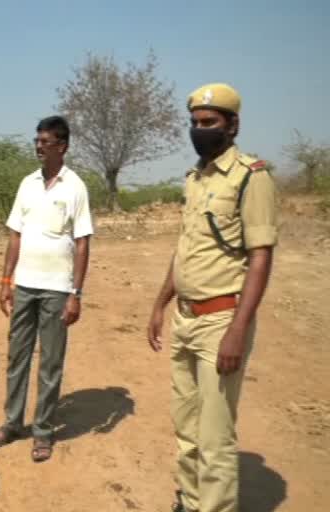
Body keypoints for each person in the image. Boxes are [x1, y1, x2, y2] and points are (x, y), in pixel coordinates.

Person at [146, 83, 278, 512]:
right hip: (185, 319)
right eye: (195, 123)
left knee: (215, 436)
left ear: (232, 125)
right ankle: (188, 500)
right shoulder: (194, 179)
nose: (200, 130)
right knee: (186, 427)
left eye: (210, 123)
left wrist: (237, 331)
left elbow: (260, 257)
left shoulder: (250, 178)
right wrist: (160, 303)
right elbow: (187, 248)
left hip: (222, 319)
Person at [0, 116, 93, 463]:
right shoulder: (27, 184)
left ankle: (43, 431)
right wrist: (5, 280)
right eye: (37, 140)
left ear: (62, 146)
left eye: (45, 141)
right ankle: (12, 423)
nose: (38, 146)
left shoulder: (75, 186)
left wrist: (75, 292)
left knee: (50, 363)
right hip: (25, 286)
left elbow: (83, 242)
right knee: (17, 357)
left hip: (57, 289)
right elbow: (15, 234)